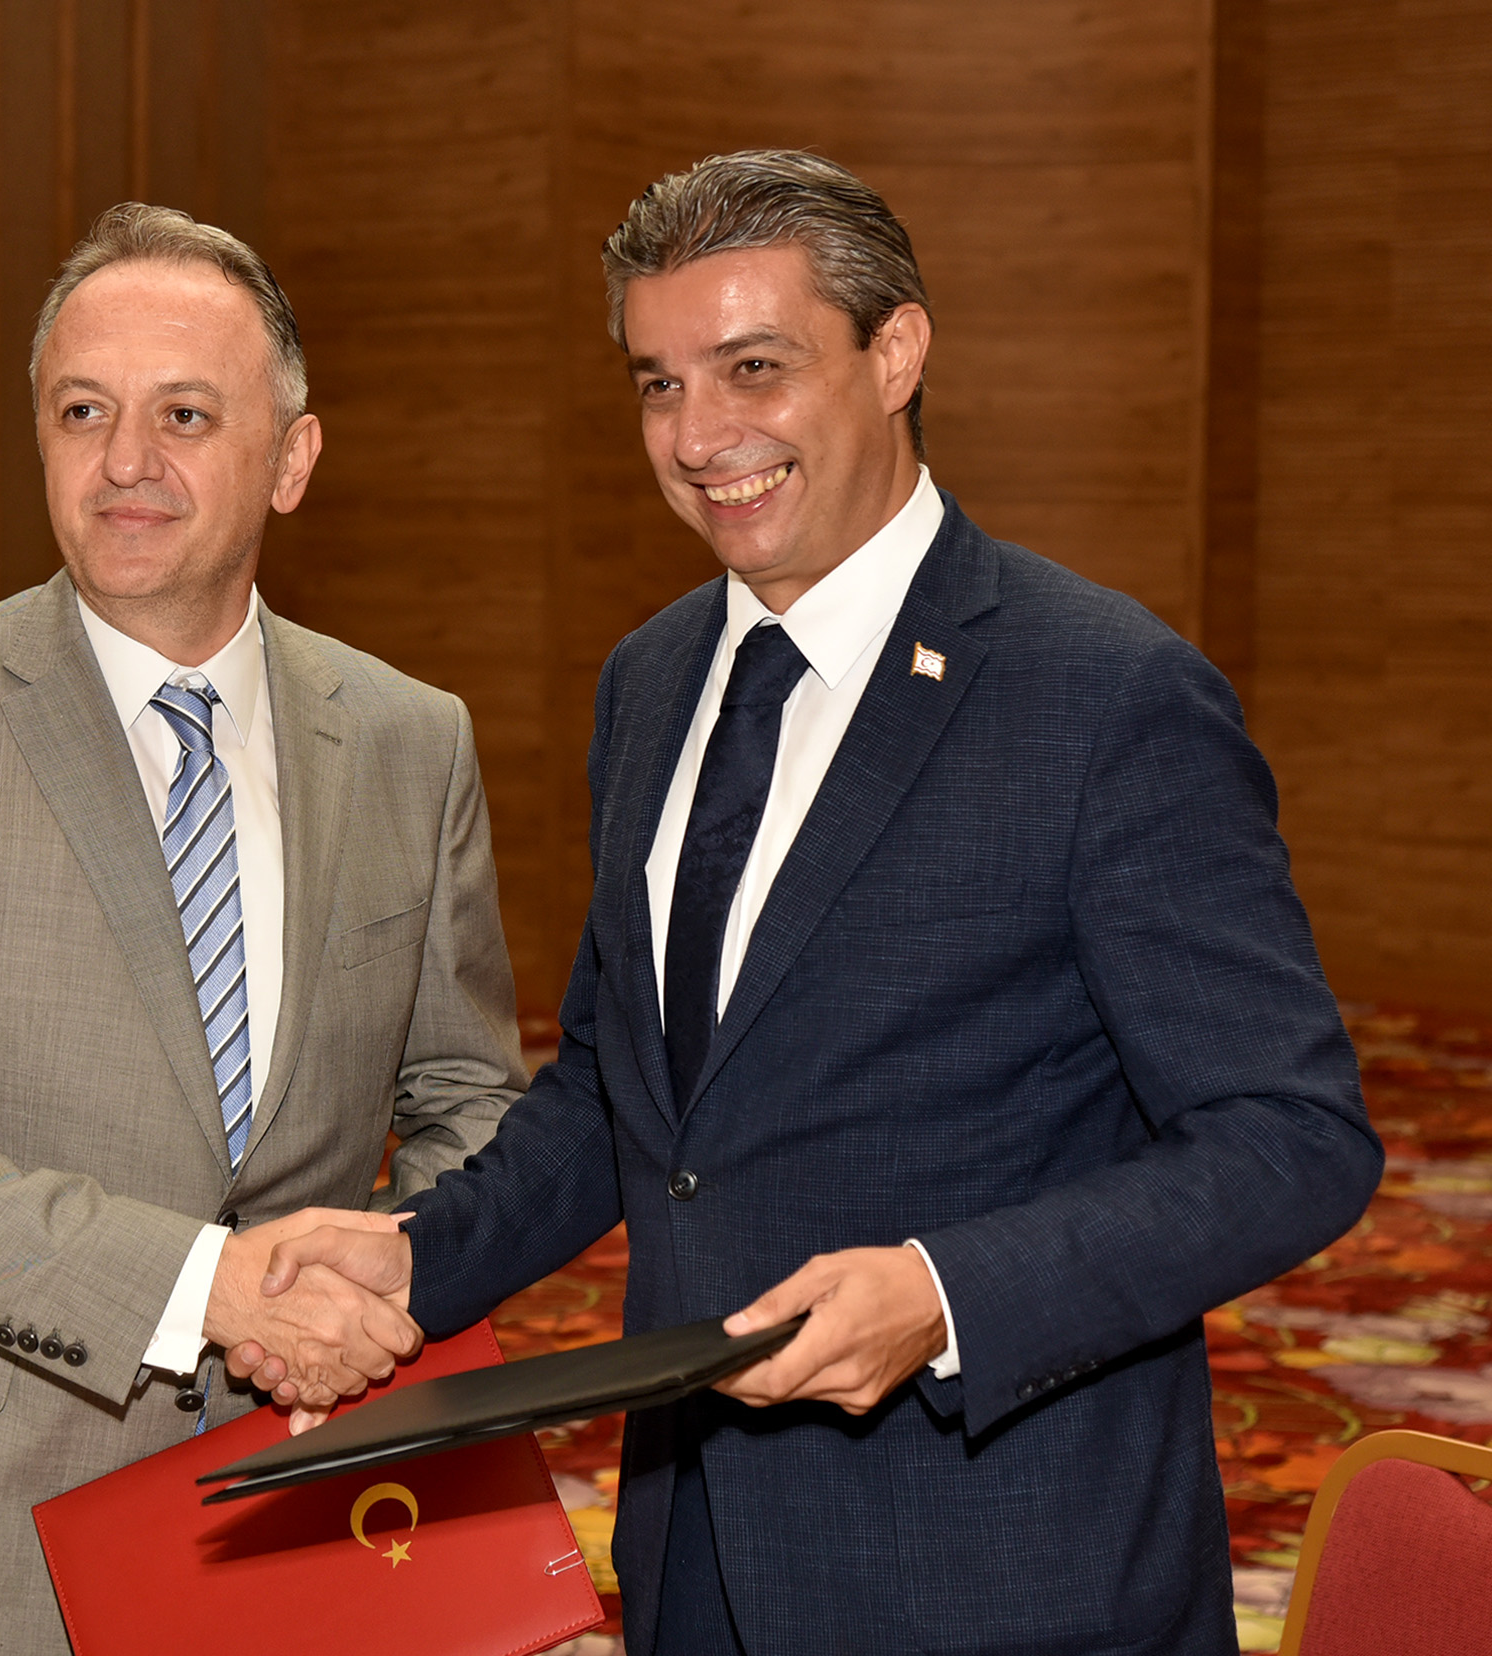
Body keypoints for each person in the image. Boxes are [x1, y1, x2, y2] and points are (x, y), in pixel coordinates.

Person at [262, 151, 1383, 1655]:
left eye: (755, 368)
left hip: (997, 1573)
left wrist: (945, 1294)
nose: (699, 436)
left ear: (896, 352)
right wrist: (420, 1251)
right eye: (659, 384)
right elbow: (627, 1087)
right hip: (695, 1548)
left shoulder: (1103, 697)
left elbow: (1291, 1138)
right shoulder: (652, 680)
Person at [0, 204, 514, 1655]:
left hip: (311, 1488)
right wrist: (203, 1287)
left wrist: (385, 1293)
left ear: (291, 459)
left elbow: (464, 1096)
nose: (124, 462)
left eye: (185, 414)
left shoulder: (410, 740)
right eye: (83, 411)